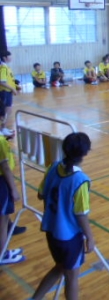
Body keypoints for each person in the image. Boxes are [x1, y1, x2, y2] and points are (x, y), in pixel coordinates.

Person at [30, 132, 95, 300]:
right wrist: (90, 237)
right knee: (71, 279)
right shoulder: (80, 180)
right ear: (85, 153)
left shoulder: (53, 167)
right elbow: (81, 214)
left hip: (51, 231)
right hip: (69, 237)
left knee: (60, 267)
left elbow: (40, 195)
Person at [0, 101, 24, 265]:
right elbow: (5, 167)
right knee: (2, 223)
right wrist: (14, 189)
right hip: (2, 183)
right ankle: (2, 255)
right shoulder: (0, 141)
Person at [0, 51, 20, 137]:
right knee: (3, 111)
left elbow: (9, 80)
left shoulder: (7, 67)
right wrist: (12, 89)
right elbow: (2, 82)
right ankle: (1, 129)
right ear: (5, 57)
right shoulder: (3, 68)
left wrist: (16, 87)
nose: (11, 58)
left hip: (8, 92)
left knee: (8, 110)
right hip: (4, 92)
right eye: (9, 56)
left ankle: (3, 128)